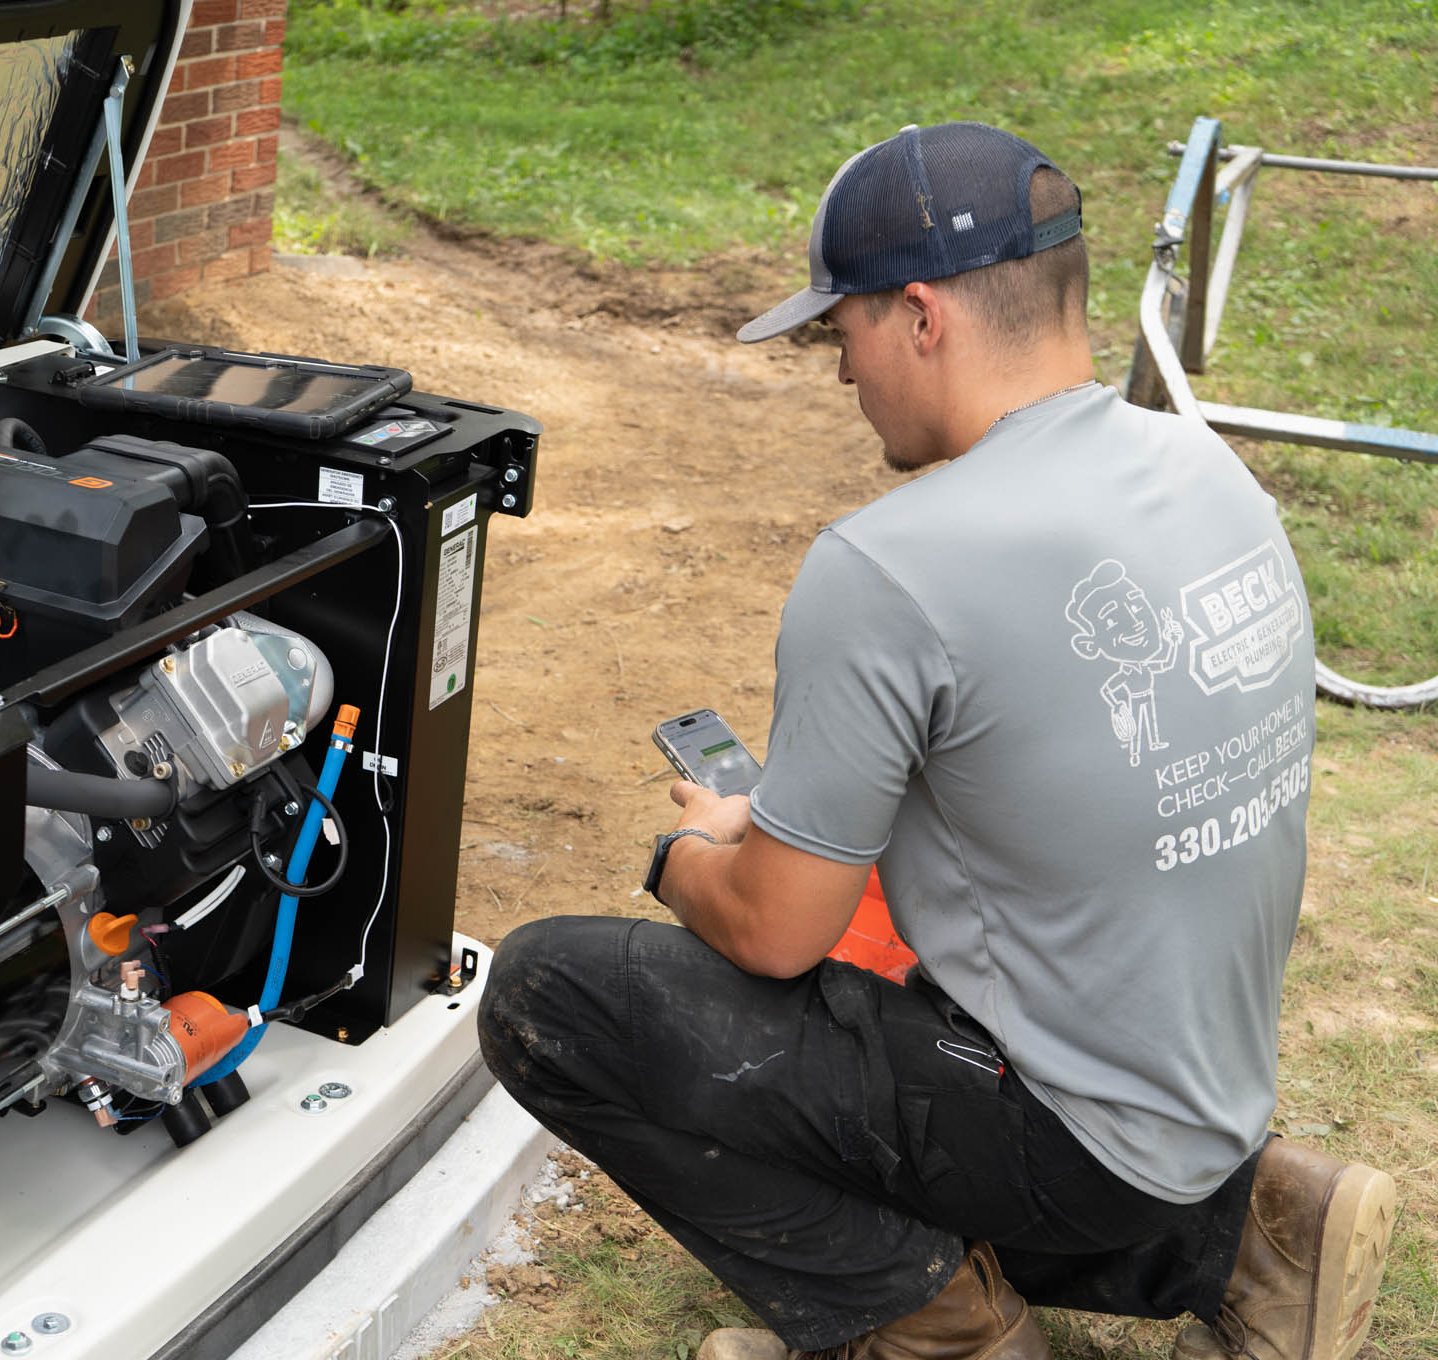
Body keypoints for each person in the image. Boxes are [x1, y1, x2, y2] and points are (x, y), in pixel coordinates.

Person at [477, 122, 1397, 1360]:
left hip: (1073, 1140)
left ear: (919, 315)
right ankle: (1254, 1230)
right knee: (898, 1031)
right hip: (1203, 1103)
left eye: (839, 331)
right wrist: (795, 812)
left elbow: (777, 931)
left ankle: (934, 1335)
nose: (843, 373)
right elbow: (1056, 780)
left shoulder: (891, 564)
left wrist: (683, 856)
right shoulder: (1209, 471)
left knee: (553, 993)